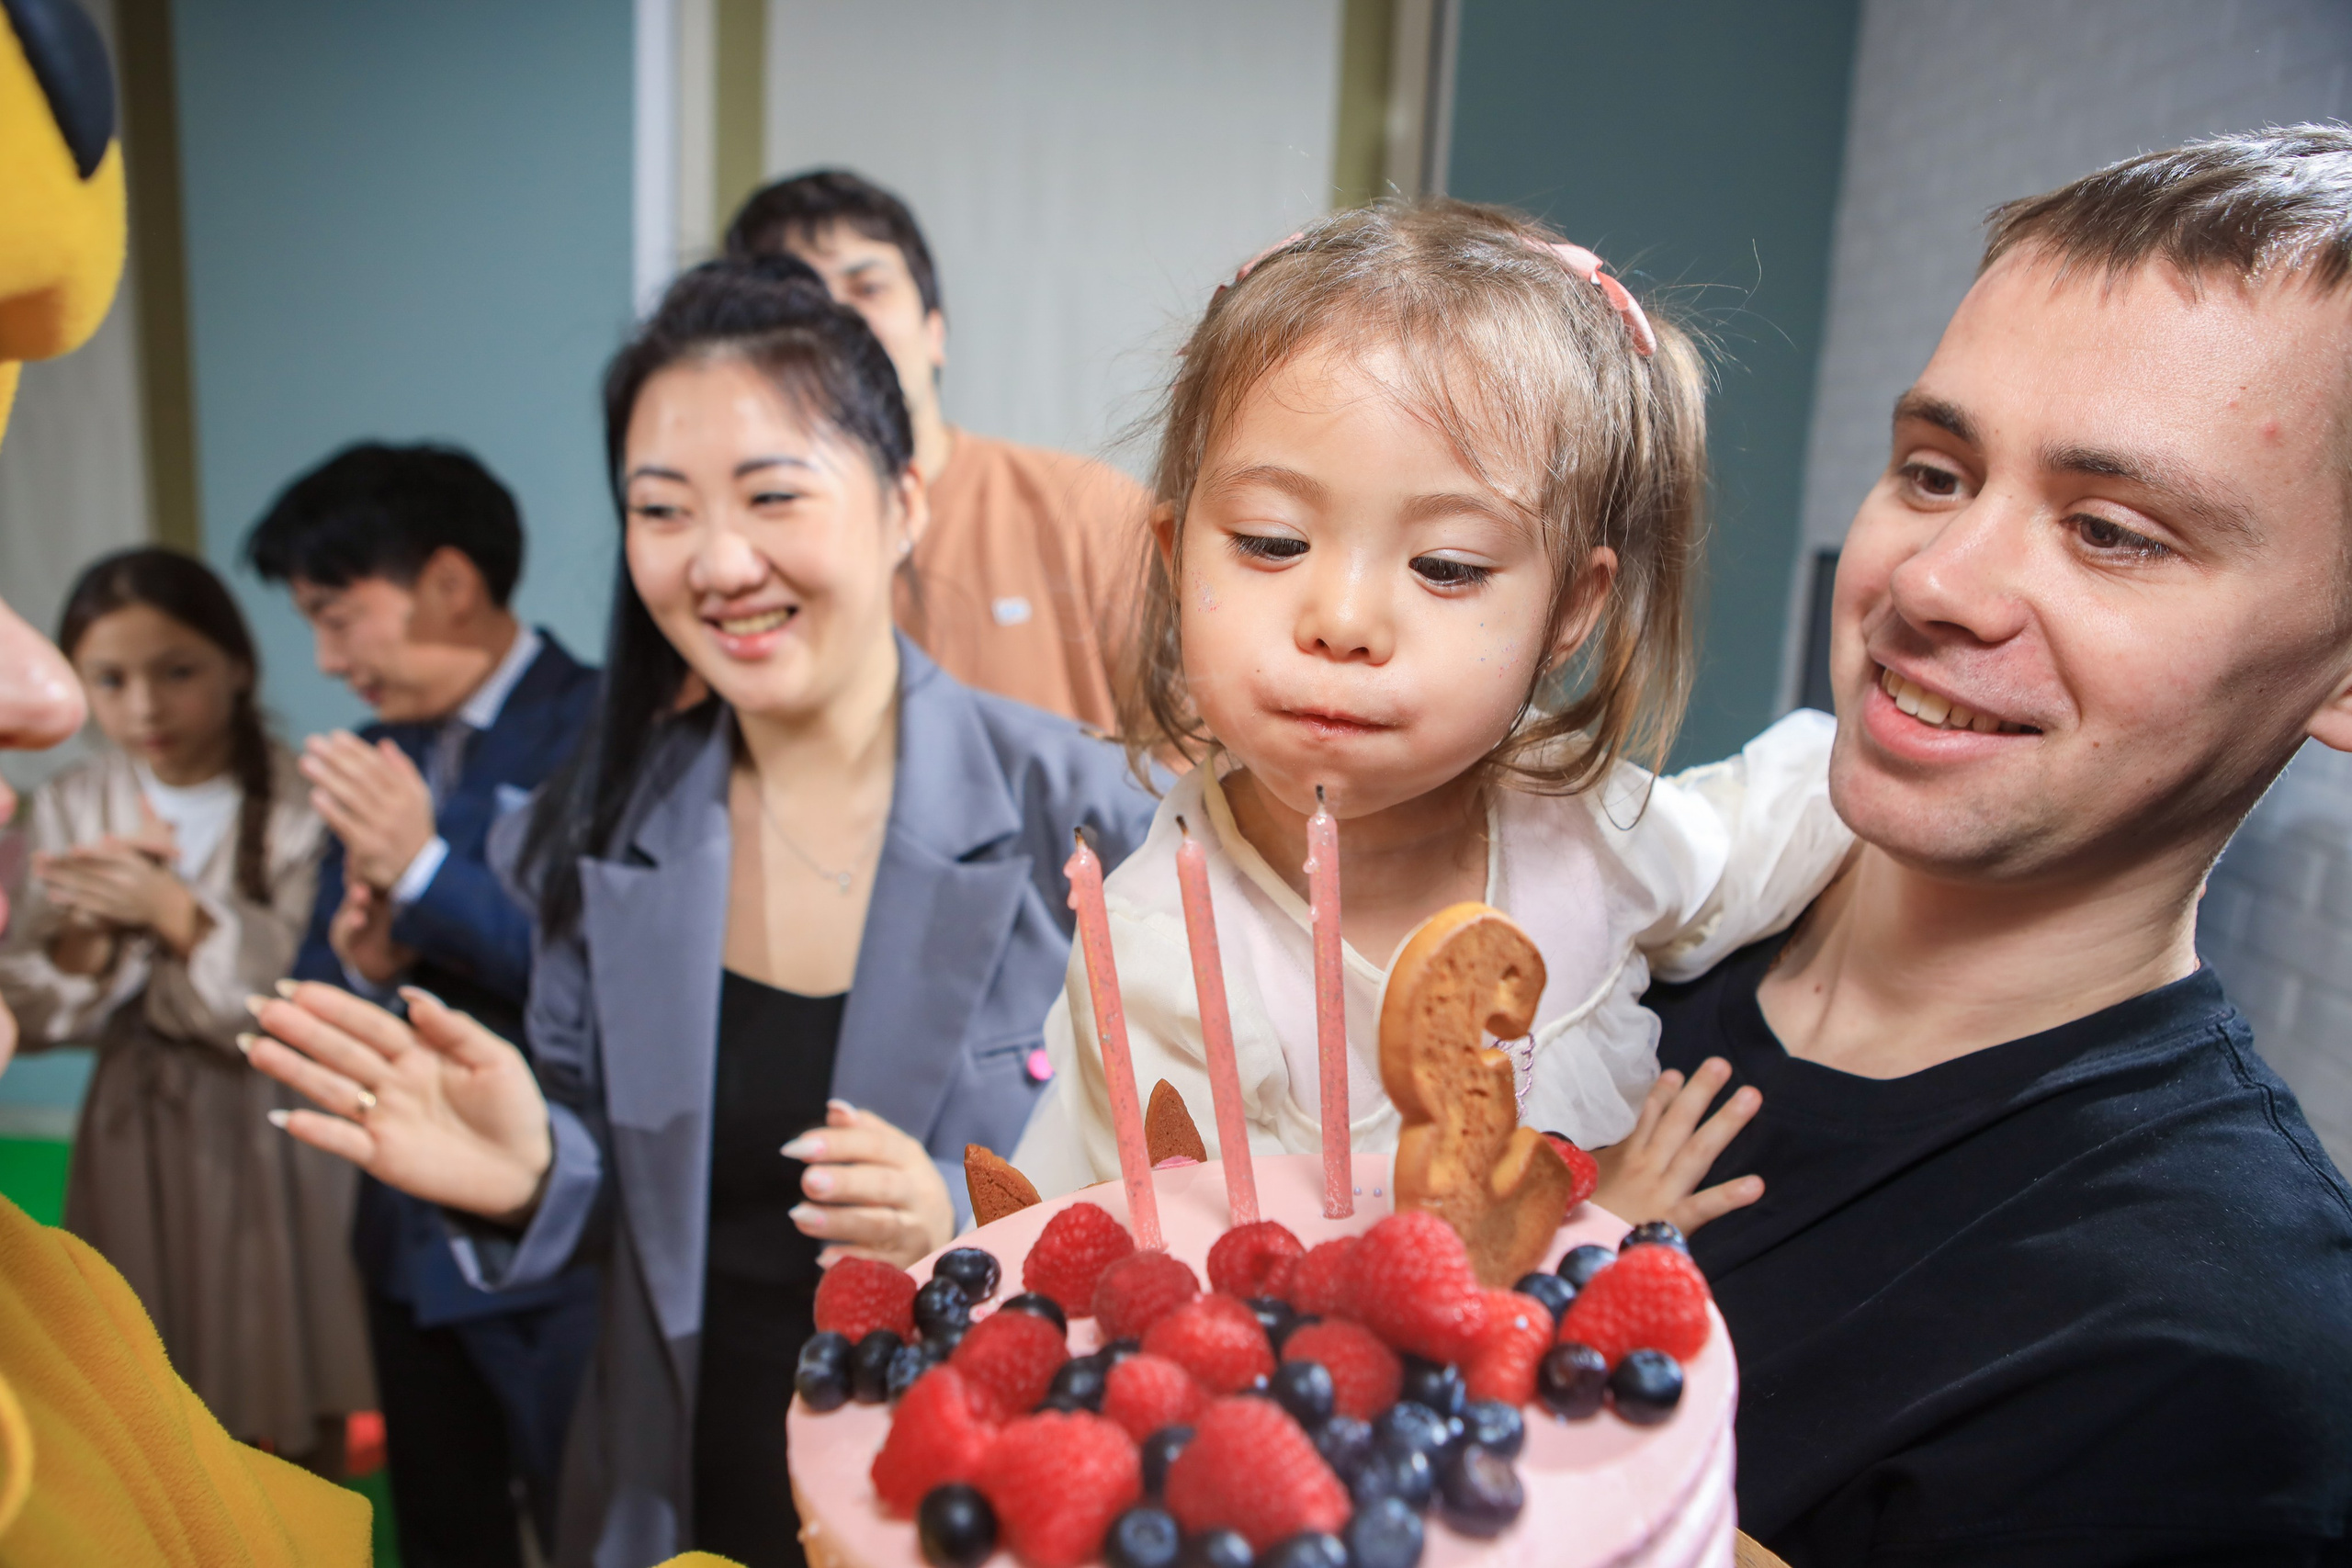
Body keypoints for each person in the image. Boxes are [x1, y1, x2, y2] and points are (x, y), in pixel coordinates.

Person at [243, 258, 1157, 1568]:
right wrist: (529, 1173)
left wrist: (970, 1230)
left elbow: (1203, 1197)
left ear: (904, 503)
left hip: (965, 1485)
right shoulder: (594, 827)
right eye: (660, 509)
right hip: (671, 1475)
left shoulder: (1094, 821)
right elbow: (617, 1187)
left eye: (774, 494)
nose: (719, 563)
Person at [1644, 127, 2352, 1566]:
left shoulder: (2209, 1357)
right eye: (1935, 469)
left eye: (2111, 531)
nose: (1933, 582)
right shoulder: (1614, 912)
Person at [1010, 200, 1850, 1207]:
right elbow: (1228, 1289)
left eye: (1444, 566)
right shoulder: (1166, 959)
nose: (1344, 619)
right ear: (1173, 557)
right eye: (1273, 543)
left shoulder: (1587, 830)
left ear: (1572, 609)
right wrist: (1590, 1227)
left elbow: (1783, 821)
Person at [245, 445, 600, 1568]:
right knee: (445, 1535)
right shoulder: (365, 755)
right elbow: (313, 971)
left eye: (339, 616)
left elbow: (608, 984)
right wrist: (361, 959)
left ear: (449, 582)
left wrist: (430, 876)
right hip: (400, 1233)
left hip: (556, 1220)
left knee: (588, 1520)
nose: (324, 657)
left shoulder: (610, 726)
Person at [0, 547, 370, 1470]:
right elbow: (36, 1008)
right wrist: (91, 932)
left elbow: (300, 990)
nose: (146, 707)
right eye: (111, 680)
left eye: (177, 672)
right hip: (135, 1114)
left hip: (272, 1115)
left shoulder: (299, 801)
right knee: (145, 1355)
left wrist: (170, 912)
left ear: (236, 667)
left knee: (282, 1337)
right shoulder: (69, 804)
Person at [727, 169, 1148, 732]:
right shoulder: (732, 559)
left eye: (867, 288)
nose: (838, 322)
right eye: (800, 298)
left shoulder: (1092, 511)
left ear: (935, 332)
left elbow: (1198, 765)